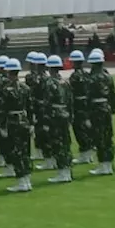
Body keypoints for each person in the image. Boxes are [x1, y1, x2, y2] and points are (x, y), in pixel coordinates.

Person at [2, 59, 33, 193]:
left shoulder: (6, 89)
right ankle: (27, 180)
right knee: (25, 151)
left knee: (16, 152)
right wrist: (31, 123)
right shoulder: (25, 88)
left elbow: (3, 109)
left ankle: (21, 181)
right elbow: (31, 107)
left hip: (13, 122)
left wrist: (2, 126)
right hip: (24, 121)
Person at [41, 55, 74, 184]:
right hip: (65, 114)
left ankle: (62, 172)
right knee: (65, 143)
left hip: (54, 116)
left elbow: (47, 103)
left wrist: (45, 121)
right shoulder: (65, 82)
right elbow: (70, 102)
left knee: (57, 144)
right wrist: (70, 116)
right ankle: (67, 171)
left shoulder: (49, 83)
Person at [85, 49, 115, 176]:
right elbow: (112, 94)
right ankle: (109, 165)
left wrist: (87, 115)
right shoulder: (107, 76)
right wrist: (112, 109)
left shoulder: (91, 78)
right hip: (106, 107)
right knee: (108, 136)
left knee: (99, 138)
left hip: (95, 109)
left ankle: (103, 165)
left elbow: (88, 98)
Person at [68, 49, 93, 164]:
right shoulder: (87, 74)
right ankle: (88, 155)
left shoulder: (74, 76)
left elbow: (71, 93)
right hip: (88, 104)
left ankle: (84, 155)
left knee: (79, 130)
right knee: (87, 130)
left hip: (78, 106)